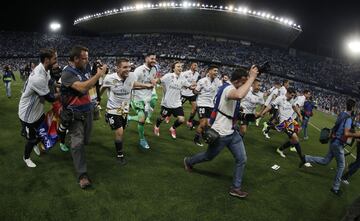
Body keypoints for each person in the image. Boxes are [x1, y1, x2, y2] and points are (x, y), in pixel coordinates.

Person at [184, 66, 259, 199]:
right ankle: (189, 161)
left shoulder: (231, 87)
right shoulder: (228, 89)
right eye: (244, 81)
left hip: (232, 131)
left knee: (241, 159)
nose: (245, 85)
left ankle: (236, 188)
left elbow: (239, 96)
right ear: (238, 81)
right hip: (221, 132)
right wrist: (252, 77)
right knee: (209, 156)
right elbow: (240, 94)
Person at [60, 45, 107, 189]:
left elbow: (91, 81)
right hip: (74, 114)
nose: (87, 61)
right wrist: (99, 74)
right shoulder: (67, 73)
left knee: (86, 140)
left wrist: (98, 69)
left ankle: (67, 134)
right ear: (75, 59)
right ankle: (82, 175)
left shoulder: (84, 68)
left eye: (87, 58)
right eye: (84, 58)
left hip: (87, 111)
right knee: (78, 143)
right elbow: (83, 87)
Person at [300, 99, 360, 195]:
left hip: (334, 141)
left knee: (325, 161)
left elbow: (336, 126)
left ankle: (306, 158)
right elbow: (346, 133)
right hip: (338, 143)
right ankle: (335, 188)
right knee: (341, 166)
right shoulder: (348, 118)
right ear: (353, 108)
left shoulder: (341, 114)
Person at [100, 58, 153, 165]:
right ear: (118, 68)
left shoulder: (132, 76)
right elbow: (103, 88)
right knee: (120, 132)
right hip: (113, 110)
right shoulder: (110, 78)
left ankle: (112, 119)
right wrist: (97, 99)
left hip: (125, 110)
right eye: (125, 67)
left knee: (122, 129)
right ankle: (120, 155)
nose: (128, 69)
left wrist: (145, 85)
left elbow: (132, 84)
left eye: (129, 67)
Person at [18, 48, 58, 168]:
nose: (56, 62)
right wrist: (64, 93)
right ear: (47, 60)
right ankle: (26, 157)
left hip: (37, 111)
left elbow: (50, 81)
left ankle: (33, 139)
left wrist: (62, 85)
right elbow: (50, 98)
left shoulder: (44, 69)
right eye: (54, 59)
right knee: (32, 139)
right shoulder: (38, 77)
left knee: (43, 132)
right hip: (28, 115)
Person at [260, 88, 310, 167]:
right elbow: (270, 106)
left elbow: (294, 107)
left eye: (293, 96)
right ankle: (303, 159)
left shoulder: (292, 100)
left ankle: (280, 149)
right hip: (284, 122)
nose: (292, 97)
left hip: (290, 121)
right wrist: (263, 112)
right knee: (295, 138)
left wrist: (299, 115)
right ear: (288, 93)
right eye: (291, 95)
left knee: (295, 136)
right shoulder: (280, 98)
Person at [153, 61, 196, 139]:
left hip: (177, 103)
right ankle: (156, 126)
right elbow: (159, 80)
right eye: (178, 66)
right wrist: (155, 81)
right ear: (173, 68)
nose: (180, 68)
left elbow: (189, 86)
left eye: (181, 67)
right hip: (167, 103)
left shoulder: (183, 78)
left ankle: (172, 128)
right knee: (161, 118)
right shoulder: (168, 76)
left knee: (181, 119)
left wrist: (195, 87)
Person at [129, 53, 158, 149]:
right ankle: (142, 139)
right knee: (141, 119)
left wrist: (154, 81)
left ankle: (129, 118)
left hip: (147, 99)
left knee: (143, 120)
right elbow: (132, 84)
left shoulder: (154, 69)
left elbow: (152, 79)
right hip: (137, 98)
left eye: (155, 59)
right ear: (146, 59)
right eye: (152, 58)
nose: (154, 60)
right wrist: (146, 85)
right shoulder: (139, 70)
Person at [193, 65, 221, 146]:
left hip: (212, 105)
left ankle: (195, 124)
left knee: (209, 124)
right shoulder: (202, 81)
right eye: (214, 70)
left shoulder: (218, 81)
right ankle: (196, 139)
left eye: (217, 71)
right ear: (209, 71)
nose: (216, 72)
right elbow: (195, 92)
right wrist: (195, 90)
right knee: (203, 124)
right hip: (202, 103)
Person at [181, 62, 200, 128]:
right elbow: (182, 81)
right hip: (184, 93)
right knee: (176, 107)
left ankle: (189, 121)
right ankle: (168, 116)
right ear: (191, 66)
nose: (196, 66)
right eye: (195, 65)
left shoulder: (197, 74)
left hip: (192, 94)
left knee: (195, 108)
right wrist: (187, 85)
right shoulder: (185, 73)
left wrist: (195, 84)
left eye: (196, 65)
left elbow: (196, 82)